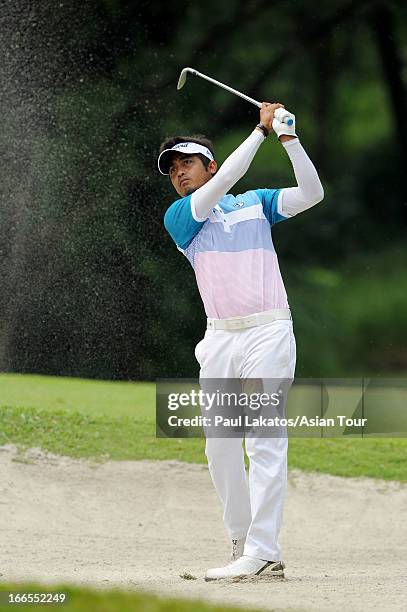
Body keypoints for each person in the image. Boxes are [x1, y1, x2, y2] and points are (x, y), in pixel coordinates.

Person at [158, 103, 324, 580]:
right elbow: (228, 177)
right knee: (220, 445)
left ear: (208, 163)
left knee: (264, 438)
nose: (179, 173)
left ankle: (264, 549)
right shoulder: (182, 217)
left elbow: (312, 193)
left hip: (268, 329)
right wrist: (260, 129)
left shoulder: (256, 202)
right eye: (172, 169)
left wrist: (289, 140)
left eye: (186, 162)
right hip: (219, 339)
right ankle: (242, 541)